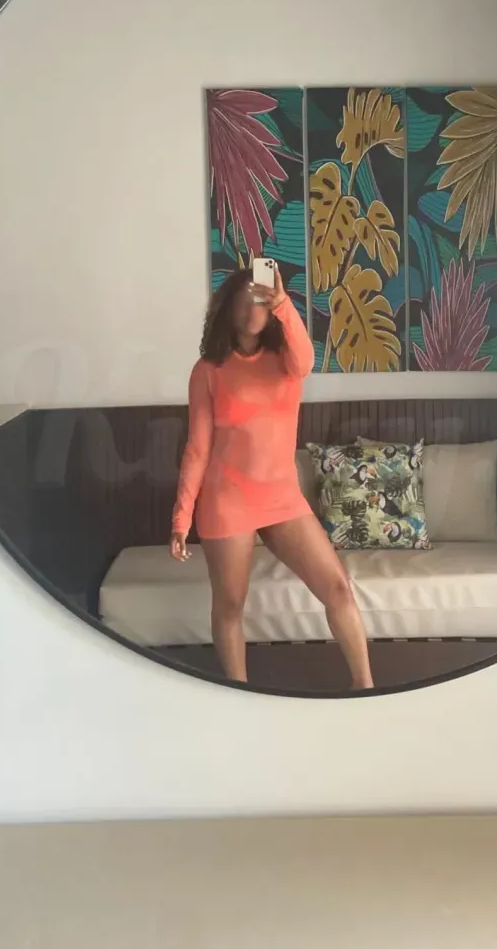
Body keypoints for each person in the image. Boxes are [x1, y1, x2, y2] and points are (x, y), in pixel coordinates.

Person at [169, 265, 374, 690]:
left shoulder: (287, 361)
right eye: (244, 300)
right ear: (227, 308)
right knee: (230, 606)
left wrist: (283, 303)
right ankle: (240, 696)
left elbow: (307, 359)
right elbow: (197, 449)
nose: (253, 309)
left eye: (261, 300)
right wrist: (181, 518)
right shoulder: (208, 370)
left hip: (282, 499)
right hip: (227, 500)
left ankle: (365, 688)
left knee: (338, 588)